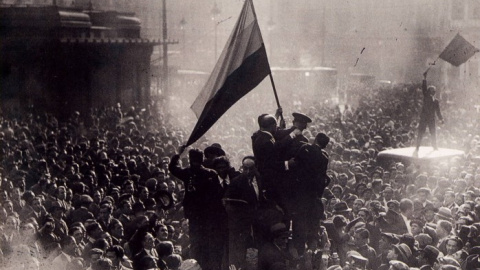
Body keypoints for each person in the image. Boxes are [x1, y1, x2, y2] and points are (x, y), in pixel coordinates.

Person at [169, 147, 222, 270]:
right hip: (209, 215)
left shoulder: (188, 173)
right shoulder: (211, 174)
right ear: (202, 159)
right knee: (207, 242)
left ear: (190, 160)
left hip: (194, 215)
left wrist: (178, 154)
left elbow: (172, 168)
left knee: (196, 243)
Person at [288, 132, 331, 255]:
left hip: (300, 194)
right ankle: (311, 252)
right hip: (314, 197)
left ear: (315, 139)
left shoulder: (305, 148)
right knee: (312, 226)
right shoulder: (324, 157)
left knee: (299, 224)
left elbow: (294, 166)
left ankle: (299, 251)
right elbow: (322, 178)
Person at [224, 156, 262, 269]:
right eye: (245, 168)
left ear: (256, 168)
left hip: (259, 222)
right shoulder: (236, 182)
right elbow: (228, 203)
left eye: (251, 168)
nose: (248, 172)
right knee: (240, 251)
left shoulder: (262, 180)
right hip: (242, 224)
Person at [415, 70, 444, 151]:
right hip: (424, 118)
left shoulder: (436, 101)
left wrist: (441, 119)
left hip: (431, 119)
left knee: (433, 133)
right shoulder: (426, 97)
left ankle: (434, 146)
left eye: (432, 91)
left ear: (434, 92)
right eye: (430, 91)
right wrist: (424, 78)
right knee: (421, 132)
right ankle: (417, 146)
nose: (431, 92)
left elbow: (438, 111)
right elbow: (423, 87)